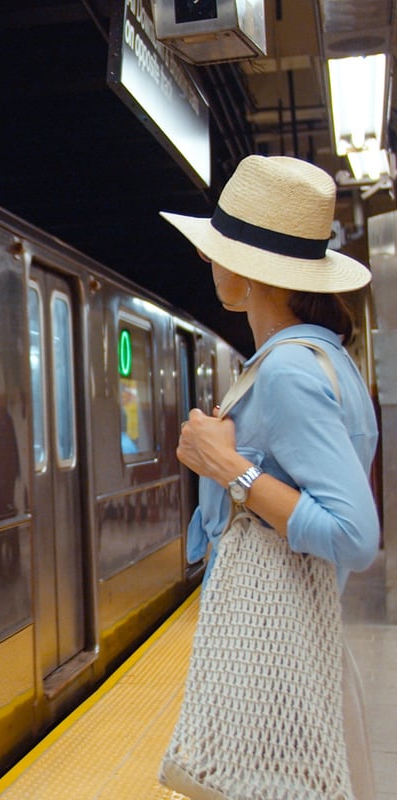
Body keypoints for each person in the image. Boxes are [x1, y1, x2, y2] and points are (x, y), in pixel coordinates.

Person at [161, 153, 379, 799]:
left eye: (218, 250)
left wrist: (226, 465)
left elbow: (353, 535)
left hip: (269, 656)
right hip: (293, 637)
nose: (209, 262)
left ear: (250, 271)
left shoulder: (287, 372)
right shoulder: (324, 360)